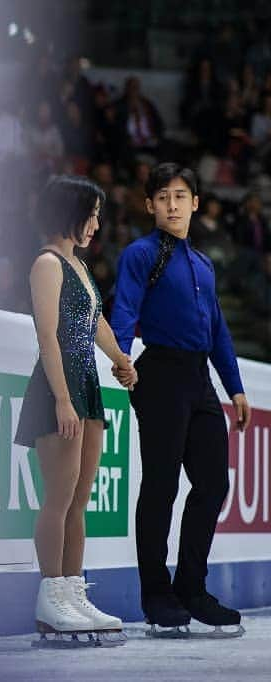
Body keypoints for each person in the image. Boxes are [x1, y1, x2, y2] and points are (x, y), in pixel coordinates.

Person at [110, 162, 251, 637]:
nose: (172, 204)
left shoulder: (205, 265)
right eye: (163, 197)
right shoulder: (140, 254)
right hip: (160, 374)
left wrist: (234, 386)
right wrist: (122, 357)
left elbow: (218, 331)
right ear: (150, 205)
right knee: (162, 485)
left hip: (199, 379)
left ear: (195, 202)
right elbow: (125, 307)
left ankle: (192, 586)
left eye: (180, 196)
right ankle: (156, 591)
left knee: (213, 483)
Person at [14, 175, 136, 645]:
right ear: (72, 212)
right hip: (57, 387)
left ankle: (71, 590)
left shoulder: (78, 266)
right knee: (59, 496)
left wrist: (120, 359)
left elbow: (96, 321)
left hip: (86, 384)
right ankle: (50, 596)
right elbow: (48, 336)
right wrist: (62, 398)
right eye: (94, 214)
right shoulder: (47, 264)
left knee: (79, 500)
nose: (97, 224)